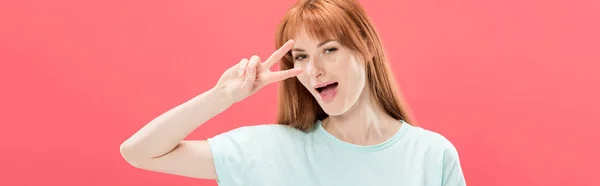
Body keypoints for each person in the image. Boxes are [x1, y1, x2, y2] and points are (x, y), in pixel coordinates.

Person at [120, 0, 467, 185]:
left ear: (365, 47)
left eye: (329, 50)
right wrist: (221, 97)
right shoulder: (270, 149)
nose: (314, 70)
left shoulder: (431, 155)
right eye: (301, 56)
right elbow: (139, 152)